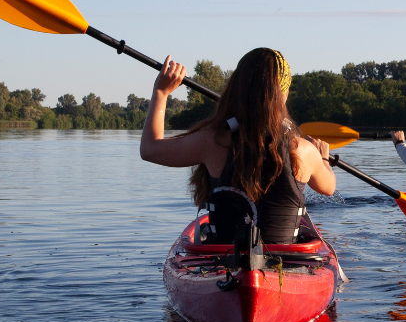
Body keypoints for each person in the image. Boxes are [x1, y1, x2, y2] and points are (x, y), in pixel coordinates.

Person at [140, 47, 335, 243]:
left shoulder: (212, 141)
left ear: (237, 88)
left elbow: (150, 149)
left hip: (223, 263)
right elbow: (329, 187)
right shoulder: (304, 150)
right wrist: (323, 159)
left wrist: (161, 92)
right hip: (288, 264)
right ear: (284, 94)